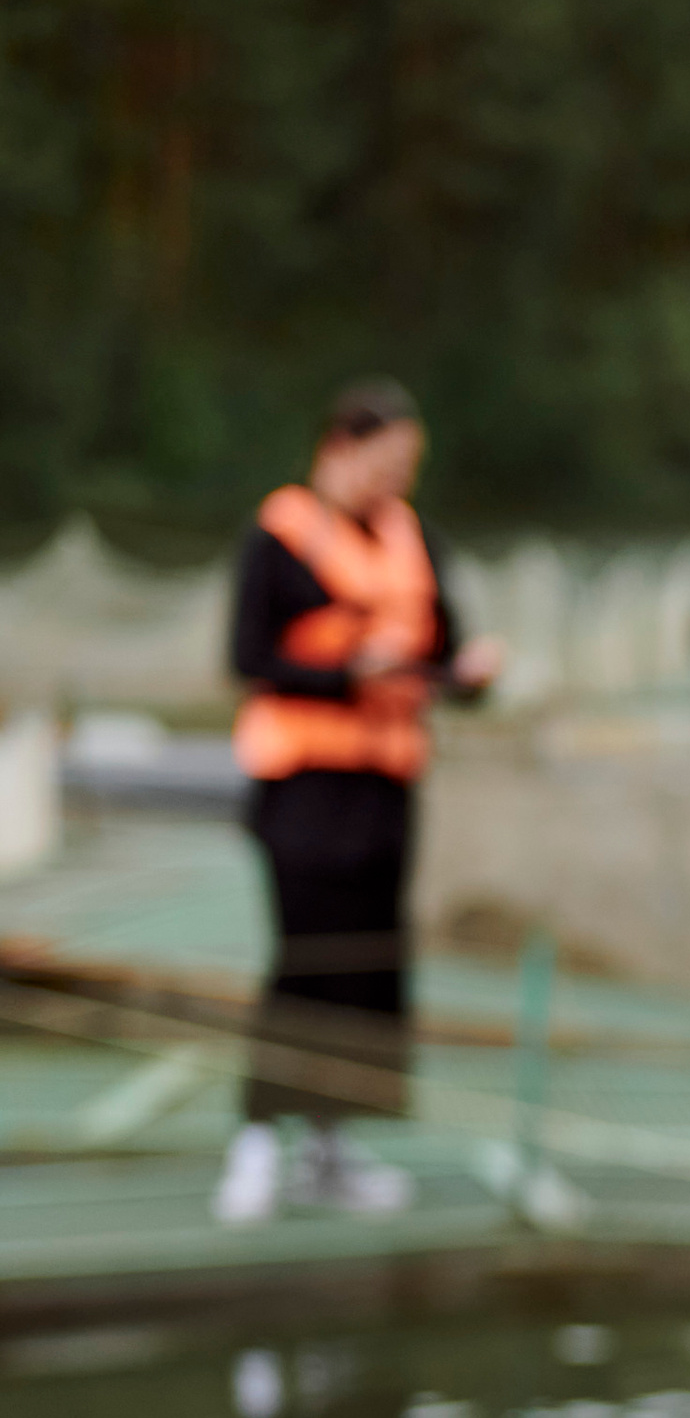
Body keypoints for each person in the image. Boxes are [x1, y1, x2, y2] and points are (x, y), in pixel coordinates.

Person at [214, 380, 502, 1225]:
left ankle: (332, 1144)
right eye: (389, 460)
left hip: (386, 786)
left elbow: (443, 655)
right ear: (340, 447)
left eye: (410, 466)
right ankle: (259, 1139)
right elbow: (248, 656)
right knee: (304, 959)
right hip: (303, 788)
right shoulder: (279, 538)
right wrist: (345, 674)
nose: (399, 479)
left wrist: (473, 674)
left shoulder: (417, 540)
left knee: (368, 966)